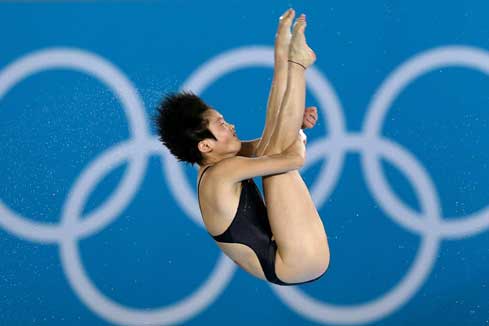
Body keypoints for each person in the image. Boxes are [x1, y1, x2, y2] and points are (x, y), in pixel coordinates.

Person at [153, 9, 329, 285]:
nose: (231, 125)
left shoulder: (216, 166)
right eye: (221, 123)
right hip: (296, 260)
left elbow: (271, 136)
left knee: (272, 142)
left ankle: (289, 58)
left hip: (296, 254)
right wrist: (298, 132)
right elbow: (293, 158)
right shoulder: (222, 174)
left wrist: (296, 124)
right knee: (275, 154)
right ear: (206, 145)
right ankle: (298, 65)